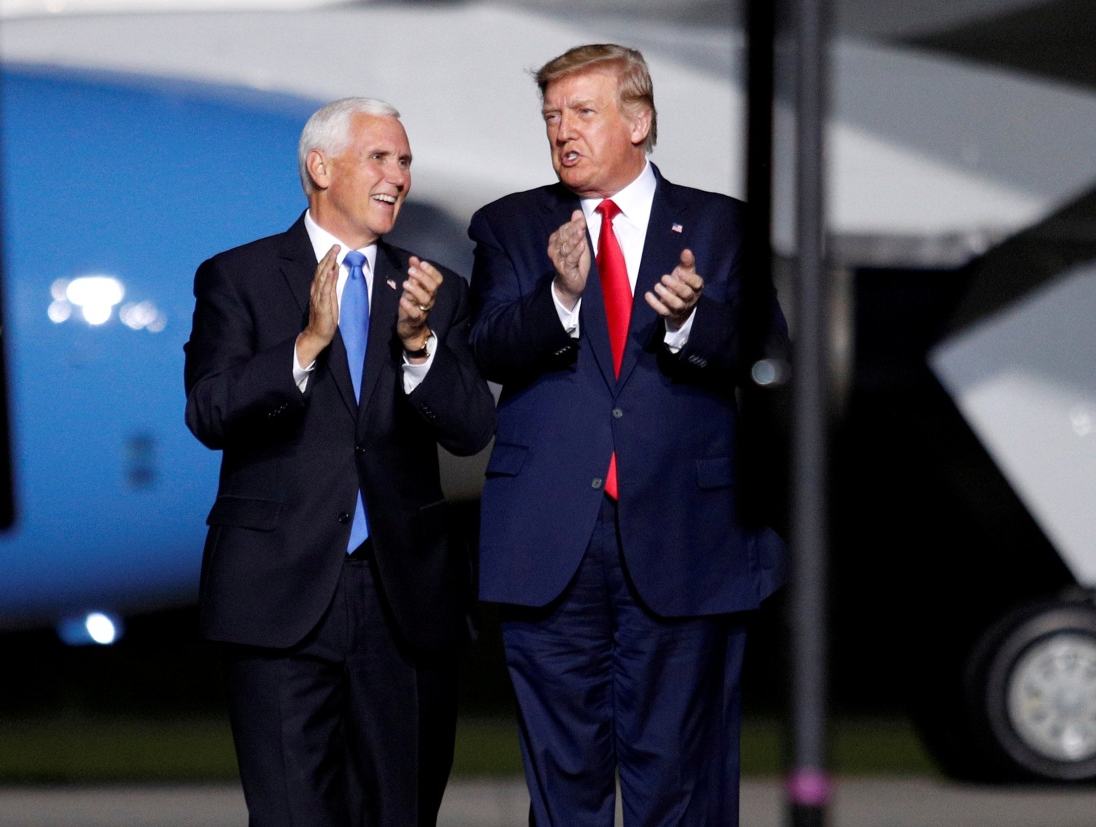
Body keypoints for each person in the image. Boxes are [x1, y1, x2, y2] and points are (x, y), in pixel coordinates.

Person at [468, 44, 789, 826]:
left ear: (639, 121)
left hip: (688, 535)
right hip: (551, 539)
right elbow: (486, 347)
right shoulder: (512, 225)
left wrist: (691, 321)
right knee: (564, 776)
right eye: (551, 116)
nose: (562, 132)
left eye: (583, 112)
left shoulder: (721, 226)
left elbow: (770, 358)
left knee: (679, 778)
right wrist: (562, 299)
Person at [184, 97, 495, 827]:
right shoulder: (238, 277)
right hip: (278, 596)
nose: (398, 177)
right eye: (380, 158)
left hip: (404, 602)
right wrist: (304, 347)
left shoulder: (433, 290)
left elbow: (473, 427)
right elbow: (209, 410)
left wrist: (420, 345)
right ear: (319, 168)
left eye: (406, 161)